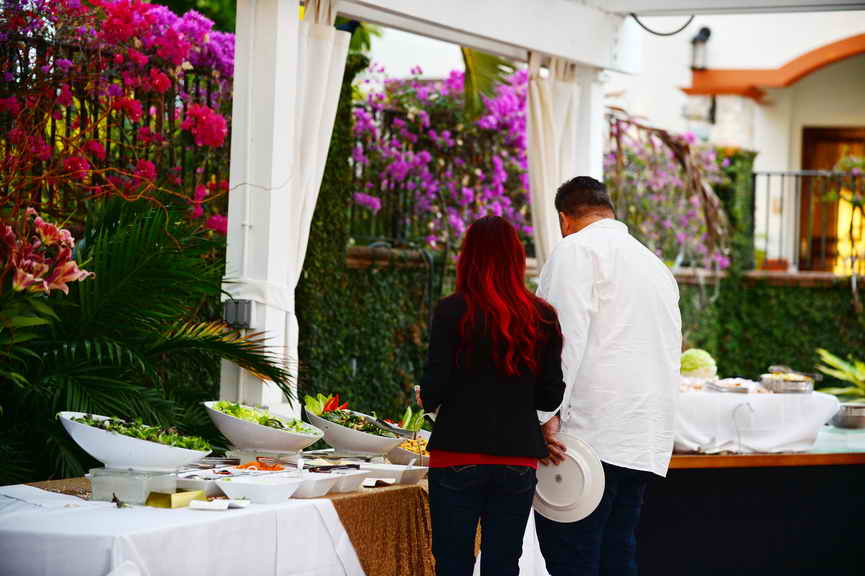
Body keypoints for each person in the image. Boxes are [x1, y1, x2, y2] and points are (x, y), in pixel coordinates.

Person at [535, 176, 682, 576]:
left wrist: (545, 416)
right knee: (618, 555)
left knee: (572, 559)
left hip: (589, 437)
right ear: (608, 211)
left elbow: (560, 341)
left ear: (564, 219)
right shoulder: (654, 265)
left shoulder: (576, 250)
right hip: (642, 436)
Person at [419, 215, 566, 576]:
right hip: (517, 457)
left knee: (452, 563)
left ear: (468, 258)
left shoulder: (451, 310)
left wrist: (429, 397)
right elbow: (550, 398)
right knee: (503, 563)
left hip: (456, 453)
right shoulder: (542, 316)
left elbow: (434, 389)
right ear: (517, 259)